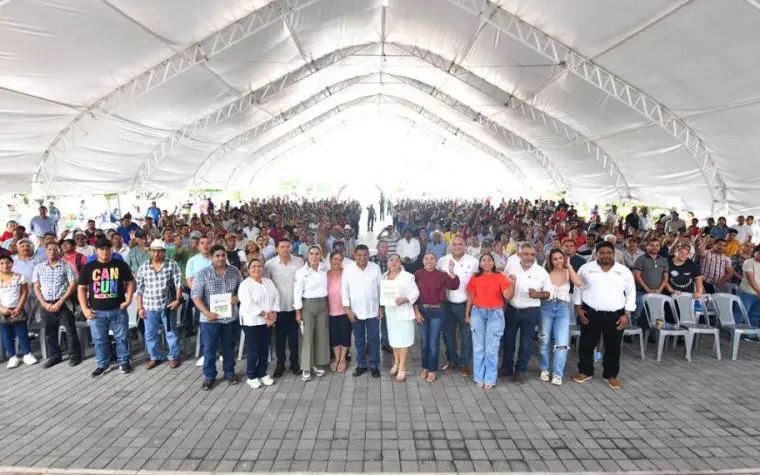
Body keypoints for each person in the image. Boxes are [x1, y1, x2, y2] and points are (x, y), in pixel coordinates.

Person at [573, 241, 636, 390]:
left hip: (616, 315)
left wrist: (627, 314)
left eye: (608, 253)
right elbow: (578, 289)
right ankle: (585, 371)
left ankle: (610, 375)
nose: (605, 255)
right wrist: (578, 308)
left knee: (613, 346)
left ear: (614, 254)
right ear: (596, 253)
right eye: (601, 252)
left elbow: (631, 292)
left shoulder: (624, 271)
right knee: (587, 344)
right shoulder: (586, 269)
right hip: (590, 312)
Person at [77, 237, 135, 377]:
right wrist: (84, 308)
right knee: (99, 340)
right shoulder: (89, 267)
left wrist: (128, 300)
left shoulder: (120, 265)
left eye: (108, 249)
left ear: (111, 250)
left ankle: (124, 362)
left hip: (118, 309)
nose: (105, 252)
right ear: (96, 250)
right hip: (97, 311)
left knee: (122, 337)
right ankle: (102, 364)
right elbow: (81, 288)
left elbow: (130, 282)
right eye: (102, 249)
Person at [191, 245, 243, 390]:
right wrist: (206, 312)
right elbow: (195, 296)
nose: (221, 258)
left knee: (229, 346)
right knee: (209, 348)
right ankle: (209, 376)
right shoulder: (203, 273)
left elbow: (242, 289)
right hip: (209, 318)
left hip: (229, 317)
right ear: (212, 257)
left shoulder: (234, 271)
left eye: (223, 255)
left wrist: (237, 297)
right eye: (217, 256)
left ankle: (229, 372)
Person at [501, 243, 551, 384]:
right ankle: (506, 367)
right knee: (508, 340)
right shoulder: (511, 267)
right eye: (526, 254)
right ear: (519, 254)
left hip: (530, 311)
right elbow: (503, 285)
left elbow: (548, 293)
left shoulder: (541, 272)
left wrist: (537, 294)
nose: (529, 257)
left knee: (526, 343)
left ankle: (520, 370)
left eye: (532, 254)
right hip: (512, 309)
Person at [465, 253, 514, 390]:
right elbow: (470, 296)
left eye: (489, 260)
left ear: (493, 262)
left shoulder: (500, 277)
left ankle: (490, 378)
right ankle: (479, 377)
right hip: (477, 312)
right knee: (478, 347)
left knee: (491, 348)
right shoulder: (475, 277)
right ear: (480, 263)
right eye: (483, 260)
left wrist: (512, 285)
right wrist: (467, 314)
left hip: (495, 314)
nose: (486, 262)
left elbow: (507, 296)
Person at [135, 240, 183, 370]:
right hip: (149, 306)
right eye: (154, 251)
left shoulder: (171, 264)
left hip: (167, 305)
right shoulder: (143, 267)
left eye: (159, 251)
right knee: (150, 334)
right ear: (150, 252)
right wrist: (140, 307)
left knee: (171, 332)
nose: (156, 254)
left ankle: (173, 356)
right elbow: (139, 289)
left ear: (163, 252)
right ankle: (155, 357)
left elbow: (178, 284)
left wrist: (177, 300)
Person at [414, 251, 459, 383]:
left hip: (438, 311)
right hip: (422, 310)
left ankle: (432, 369)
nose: (429, 261)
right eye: (426, 259)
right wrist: (416, 311)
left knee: (433, 342)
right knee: (424, 341)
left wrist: (451, 270)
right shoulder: (418, 274)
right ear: (423, 261)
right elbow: (413, 294)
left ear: (436, 261)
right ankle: (425, 367)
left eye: (432, 259)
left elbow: (454, 285)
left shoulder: (442, 274)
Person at [33, 242, 80, 368]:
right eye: (49, 249)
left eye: (55, 249)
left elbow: (72, 284)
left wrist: (60, 301)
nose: (52, 251)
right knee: (49, 332)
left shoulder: (66, 265)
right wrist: (43, 303)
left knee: (70, 331)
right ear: (46, 251)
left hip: (64, 303)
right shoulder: (39, 267)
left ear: (59, 251)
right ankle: (55, 356)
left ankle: (74, 355)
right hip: (46, 304)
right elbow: (36, 286)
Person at [437, 235, 478, 377]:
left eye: (460, 244)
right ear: (450, 246)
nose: (457, 247)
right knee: (448, 334)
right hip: (447, 304)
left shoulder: (473, 262)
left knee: (466, 335)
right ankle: (452, 361)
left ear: (465, 245)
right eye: (454, 244)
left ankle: (464, 364)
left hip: (466, 304)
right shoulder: (442, 261)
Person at [539, 249, 582, 385]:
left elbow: (579, 283)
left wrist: (569, 266)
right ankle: (545, 369)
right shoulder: (544, 273)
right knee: (544, 340)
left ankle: (558, 373)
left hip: (562, 309)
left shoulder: (568, 271)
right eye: (555, 259)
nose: (558, 261)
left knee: (562, 342)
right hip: (546, 307)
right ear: (550, 260)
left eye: (560, 258)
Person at [264, 238, 305, 378]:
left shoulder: (299, 262)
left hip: (295, 307)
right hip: (278, 308)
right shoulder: (269, 264)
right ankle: (280, 364)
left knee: (294, 337)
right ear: (277, 248)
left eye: (288, 246)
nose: (285, 249)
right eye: (282, 247)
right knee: (279, 338)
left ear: (291, 247)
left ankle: (294, 363)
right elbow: (266, 285)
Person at [342, 244, 382, 378]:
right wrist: (347, 309)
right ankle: (361, 365)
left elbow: (381, 288)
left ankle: (374, 365)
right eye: (359, 255)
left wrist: (381, 307)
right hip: (355, 311)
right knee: (358, 340)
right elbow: (344, 289)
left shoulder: (375, 268)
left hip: (373, 311)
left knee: (374, 340)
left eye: (365, 255)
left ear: (368, 255)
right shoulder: (348, 269)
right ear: (354, 255)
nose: (362, 258)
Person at [238, 258, 278, 389]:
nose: (257, 268)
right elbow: (248, 305)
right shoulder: (245, 285)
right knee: (254, 349)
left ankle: (262, 373)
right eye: (253, 266)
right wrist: (266, 315)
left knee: (264, 348)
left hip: (267, 321)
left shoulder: (268, 282)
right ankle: (251, 375)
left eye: (259, 266)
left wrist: (273, 312)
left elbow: (276, 296)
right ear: (248, 270)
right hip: (252, 322)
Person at [293, 245, 329, 382]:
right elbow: (297, 293)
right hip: (308, 305)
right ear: (307, 255)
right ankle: (306, 367)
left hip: (323, 304)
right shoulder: (301, 272)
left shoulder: (324, 268)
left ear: (320, 255)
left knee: (321, 335)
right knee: (307, 336)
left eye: (317, 254)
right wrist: (298, 311)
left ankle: (318, 364)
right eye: (312, 254)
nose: (314, 256)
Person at [381, 253, 420, 382]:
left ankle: (402, 367)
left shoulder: (408, 277)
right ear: (387, 263)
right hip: (391, 312)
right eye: (391, 260)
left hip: (403, 313)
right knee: (394, 341)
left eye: (396, 260)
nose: (393, 262)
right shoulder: (384, 276)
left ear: (400, 263)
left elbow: (415, 293)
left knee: (403, 341)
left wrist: (405, 299)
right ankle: (396, 363)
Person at [0, 254, 37, 368]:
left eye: (8, 263)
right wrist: (2, 308)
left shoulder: (19, 277)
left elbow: (24, 292)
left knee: (22, 332)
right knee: (6, 334)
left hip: (17, 309)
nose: (5, 265)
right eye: (2, 263)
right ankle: (12, 357)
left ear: (12, 264)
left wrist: (19, 307)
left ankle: (27, 354)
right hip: (2, 311)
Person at [632, 238, 669, 328]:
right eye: (652, 245)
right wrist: (647, 289)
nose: (655, 247)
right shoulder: (640, 259)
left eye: (657, 245)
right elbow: (637, 276)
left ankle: (655, 332)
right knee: (637, 313)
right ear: (647, 247)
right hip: (641, 291)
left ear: (659, 247)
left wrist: (660, 289)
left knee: (658, 314)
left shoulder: (663, 260)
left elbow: (665, 277)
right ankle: (632, 330)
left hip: (657, 292)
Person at [326, 251, 350, 372]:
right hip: (330, 311)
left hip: (345, 310)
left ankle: (343, 358)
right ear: (330, 261)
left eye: (340, 259)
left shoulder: (347, 274)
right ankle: (336, 358)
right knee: (334, 335)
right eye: (334, 259)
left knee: (345, 335)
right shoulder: (325, 274)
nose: (337, 262)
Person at [369, 240, 393, 354]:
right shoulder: (371, 260)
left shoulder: (390, 261)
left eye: (386, 247)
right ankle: (370, 343)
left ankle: (385, 343)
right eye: (382, 247)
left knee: (386, 320)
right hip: (374, 293)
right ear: (377, 248)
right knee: (373, 320)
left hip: (386, 293)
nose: (384, 249)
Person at [737, 245, 760, 329]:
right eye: (759, 253)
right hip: (747, 293)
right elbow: (751, 279)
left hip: (758, 295)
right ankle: (734, 332)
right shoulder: (749, 262)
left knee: (755, 316)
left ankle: (750, 334)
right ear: (754, 253)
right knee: (740, 314)